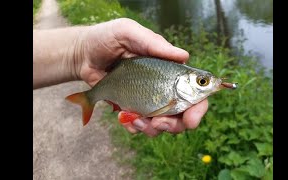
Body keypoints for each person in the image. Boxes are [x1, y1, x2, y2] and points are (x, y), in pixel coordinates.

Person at [33, 18, 208, 137]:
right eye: (202, 82)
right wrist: (79, 53)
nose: (205, 85)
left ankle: (91, 98)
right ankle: (89, 98)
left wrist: (79, 52)